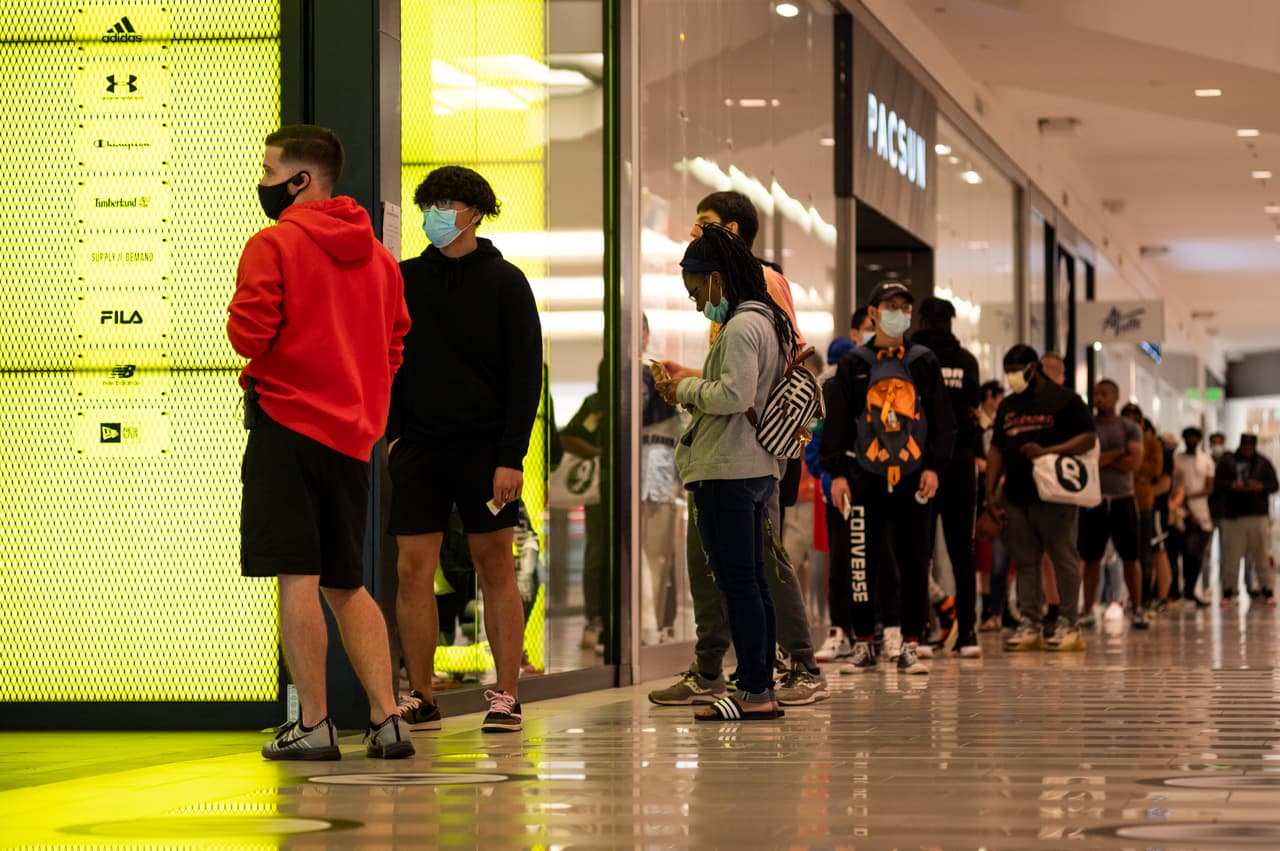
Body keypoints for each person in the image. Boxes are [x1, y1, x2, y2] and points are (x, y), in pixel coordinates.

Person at [229, 124, 413, 760]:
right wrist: (357, 396)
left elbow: (250, 335)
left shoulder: (273, 244)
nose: (262, 182)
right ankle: (389, 720)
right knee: (346, 581)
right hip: (351, 439)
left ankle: (313, 724)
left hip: (286, 428)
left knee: (297, 577)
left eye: (268, 170)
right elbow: (394, 346)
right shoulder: (382, 261)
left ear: (300, 181)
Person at [648, 193, 827, 708]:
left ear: (718, 272)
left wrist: (685, 389)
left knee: (742, 581)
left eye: (695, 287)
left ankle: (755, 684)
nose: (694, 300)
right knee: (752, 581)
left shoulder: (747, 319)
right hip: (751, 467)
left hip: (731, 467)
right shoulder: (761, 318)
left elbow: (735, 394)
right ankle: (757, 684)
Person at [388, 166, 542, 733]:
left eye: (447, 202)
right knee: (412, 571)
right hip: (419, 447)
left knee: (494, 565)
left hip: (485, 451)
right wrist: (393, 433)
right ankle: (421, 693)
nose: (435, 212)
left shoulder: (507, 282)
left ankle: (505, 694)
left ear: (475, 211)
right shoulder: (403, 278)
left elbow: (526, 375)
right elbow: (389, 358)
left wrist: (512, 456)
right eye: (429, 203)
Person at [819, 281, 957, 675]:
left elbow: (942, 421)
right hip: (864, 476)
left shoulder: (923, 361)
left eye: (904, 306)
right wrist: (838, 473)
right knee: (861, 562)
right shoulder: (854, 363)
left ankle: (911, 642)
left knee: (915, 562)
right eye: (890, 306)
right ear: (873, 313)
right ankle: (864, 643)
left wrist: (935, 467)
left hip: (914, 477)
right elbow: (839, 423)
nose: (899, 313)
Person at [984, 345, 1096, 652]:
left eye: (1017, 371)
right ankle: (1030, 622)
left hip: (1055, 495)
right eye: (1007, 372)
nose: (1012, 377)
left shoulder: (1065, 400)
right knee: (1026, 562)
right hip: (1016, 495)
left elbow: (1088, 437)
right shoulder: (1008, 406)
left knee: (1064, 559)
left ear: (1033, 368)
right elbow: (996, 450)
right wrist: (990, 493)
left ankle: (1069, 623)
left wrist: (1047, 452)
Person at [913, 296, 982, 657]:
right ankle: (967, 633)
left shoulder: (911, 357)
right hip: (960, 464)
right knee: (962, 552)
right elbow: (973, 413)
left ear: (922, 320)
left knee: (918, 551)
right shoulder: (967, 361)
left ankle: (921, 631)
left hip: (922, 464)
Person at [1079, 381, 1147, 629]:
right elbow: (1088, 462)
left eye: (1104, 394)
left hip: (1123, 500)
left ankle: (1138, 607)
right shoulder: (1088, 426)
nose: (1099, 398)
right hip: (1094, 500)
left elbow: (1134, 464)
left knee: (1131, 557)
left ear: (1116, 396)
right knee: (1091, 557)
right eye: (1096, 394)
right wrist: (1118, 453)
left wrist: (1103, 459)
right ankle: (1088, 608)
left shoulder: (1129, 427)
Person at [640, 315, 682, 643]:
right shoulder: (612, 373)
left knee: (658, 554)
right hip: (630, 480)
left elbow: (676, 434)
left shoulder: (656, 373)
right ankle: (639, 625)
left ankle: (657, 623)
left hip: (658, 474)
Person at [1216, 434, 1278, 607]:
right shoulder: (1228, 461)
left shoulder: (1263, 462)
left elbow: (1274, 484)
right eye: (1246, 446)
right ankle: (1229, 591)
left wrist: (1260, 486)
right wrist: (1232, 486)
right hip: (1233, 516)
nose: (1248, 449)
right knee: (1231, 557)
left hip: (1258, 515)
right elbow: (1217, 484)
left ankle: (1267, 590)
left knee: (1262, 556)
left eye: (1251, 446)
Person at [1122, 405, 1172, 609]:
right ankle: (1131, 597)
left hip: (1145, 503)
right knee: (1126, 553)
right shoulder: (1119, 439)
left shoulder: (1151, 442)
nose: (1132, 419)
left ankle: (1145, 598)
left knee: (1147, 551)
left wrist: (1130, 462)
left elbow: (1156, 470)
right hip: (1121, 499)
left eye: (1136, 416)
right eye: (1128, 416)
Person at [976, 380, 1013, 631]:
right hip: (983, 494)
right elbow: (977, 456)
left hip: (1003, 493)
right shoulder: (977, 423)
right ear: (990, 396)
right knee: (986, 556)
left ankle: (1002, 609)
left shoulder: (1003, 423)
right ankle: (990, 607)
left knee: (1004, 557)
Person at [1173, 427, 1214, 607]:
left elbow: (1209, 487)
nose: (1191, 439)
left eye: (1194, 436)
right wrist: (1185, 502)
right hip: (1180, 513)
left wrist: (1190, 497)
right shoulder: (1177, 460)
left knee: (1196, 554)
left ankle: (1190, 590)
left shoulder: (1206, 460)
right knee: (1180, 553)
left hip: (1202, 513)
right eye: (1188, 436)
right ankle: (1176, 591)